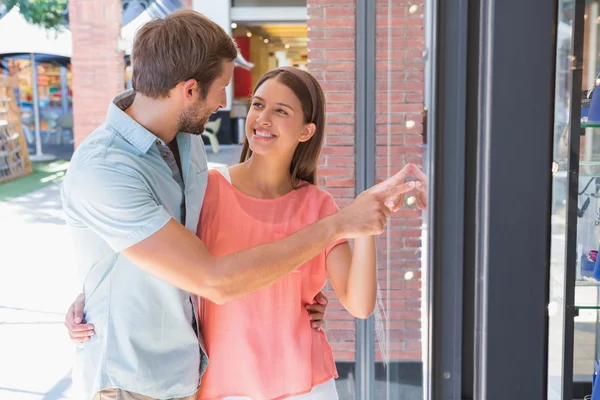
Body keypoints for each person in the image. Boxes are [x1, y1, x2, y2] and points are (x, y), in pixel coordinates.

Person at [61, 9, 419, 400]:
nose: (227, 102)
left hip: (195, 377)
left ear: (306, 130)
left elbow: (353, 299)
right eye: (226, 88)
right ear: (190, 89)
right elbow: (213, 278)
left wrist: (347, 236)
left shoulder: (186, 142)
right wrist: (93, 298)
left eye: (280, 110)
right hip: (136, 380)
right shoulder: (108, 168)